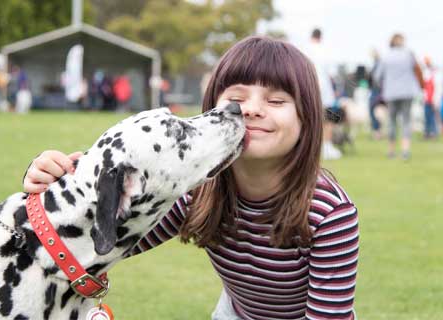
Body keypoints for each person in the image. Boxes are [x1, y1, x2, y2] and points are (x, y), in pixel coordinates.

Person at [23, 36, 359, 320]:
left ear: (308, 119)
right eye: (236, 99)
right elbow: (104, 240)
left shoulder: (330, 214)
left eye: (275, 100)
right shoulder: (196, 190)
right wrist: (56, 184)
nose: (251, 109)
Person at [374, 33, 422, 160]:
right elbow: (417, 70)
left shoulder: (386, 56)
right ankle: (405, 150)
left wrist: (384, 85)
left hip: (391, 93)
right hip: (408, 92)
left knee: (391, 121)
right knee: (406, 120)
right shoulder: (409, 54)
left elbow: (377, 77)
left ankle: (391, 150)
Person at [303, 28, 341, 160]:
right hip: (325, 88)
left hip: (308, 86)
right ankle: (327, 146)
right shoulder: (326, 50)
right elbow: (333, 73)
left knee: (310, 118)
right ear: (321, 37)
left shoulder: (304, 49)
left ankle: (313, 146)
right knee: (328, 119)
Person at [422, 56, 438, 139]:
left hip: (431, 100)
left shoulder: (432, 75)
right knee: (427, 117)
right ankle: (427, 133)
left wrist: (434, 100)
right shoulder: (427, 75)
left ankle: (432, 133)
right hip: (426, 100)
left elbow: (434, 90)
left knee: (431, 118)